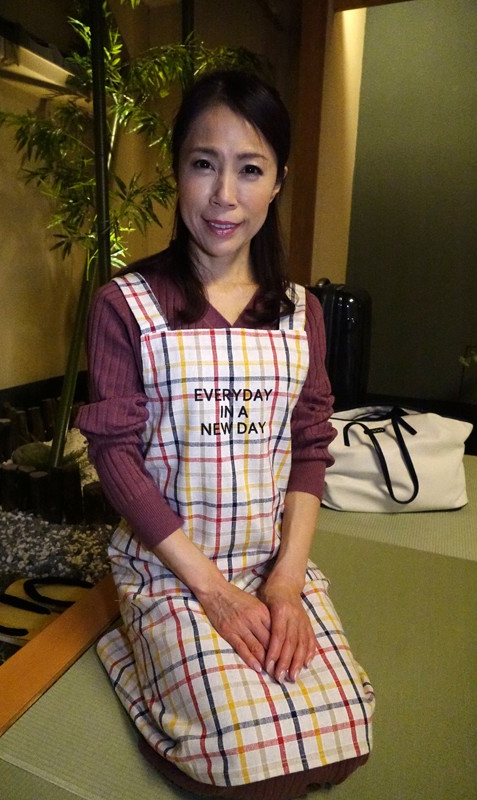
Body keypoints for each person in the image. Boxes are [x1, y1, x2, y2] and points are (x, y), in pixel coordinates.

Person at [77, 70, 374, 799]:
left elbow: (310, 445)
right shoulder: (126, 304)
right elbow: (115, 459)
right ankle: (130, 642)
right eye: (204, 164)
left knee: (344, 737)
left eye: (250, 169)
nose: (223, 196)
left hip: (271, 563)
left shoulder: (300, 312)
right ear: (177, 169)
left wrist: (286, 584)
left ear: (278, 183)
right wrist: (211, 592)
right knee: (237, 766)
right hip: (174, 569)